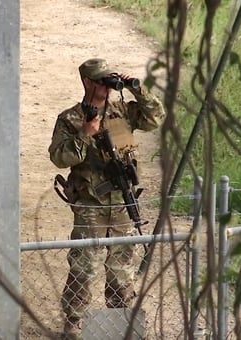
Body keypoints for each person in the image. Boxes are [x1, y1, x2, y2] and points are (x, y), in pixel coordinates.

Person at [48, 57, 165, 339]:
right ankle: (74, 321)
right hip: (90, 204)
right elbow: (59, 157)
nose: (107, 86)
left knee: (121, 267)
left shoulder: (122, 110)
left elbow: (155, 118)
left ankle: (120, 319)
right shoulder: (70, 118)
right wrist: (85, 135)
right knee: (84, 266)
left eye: (109, 81)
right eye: (101, 81)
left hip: (123, 200)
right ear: (88, 82)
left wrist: (137, 88)